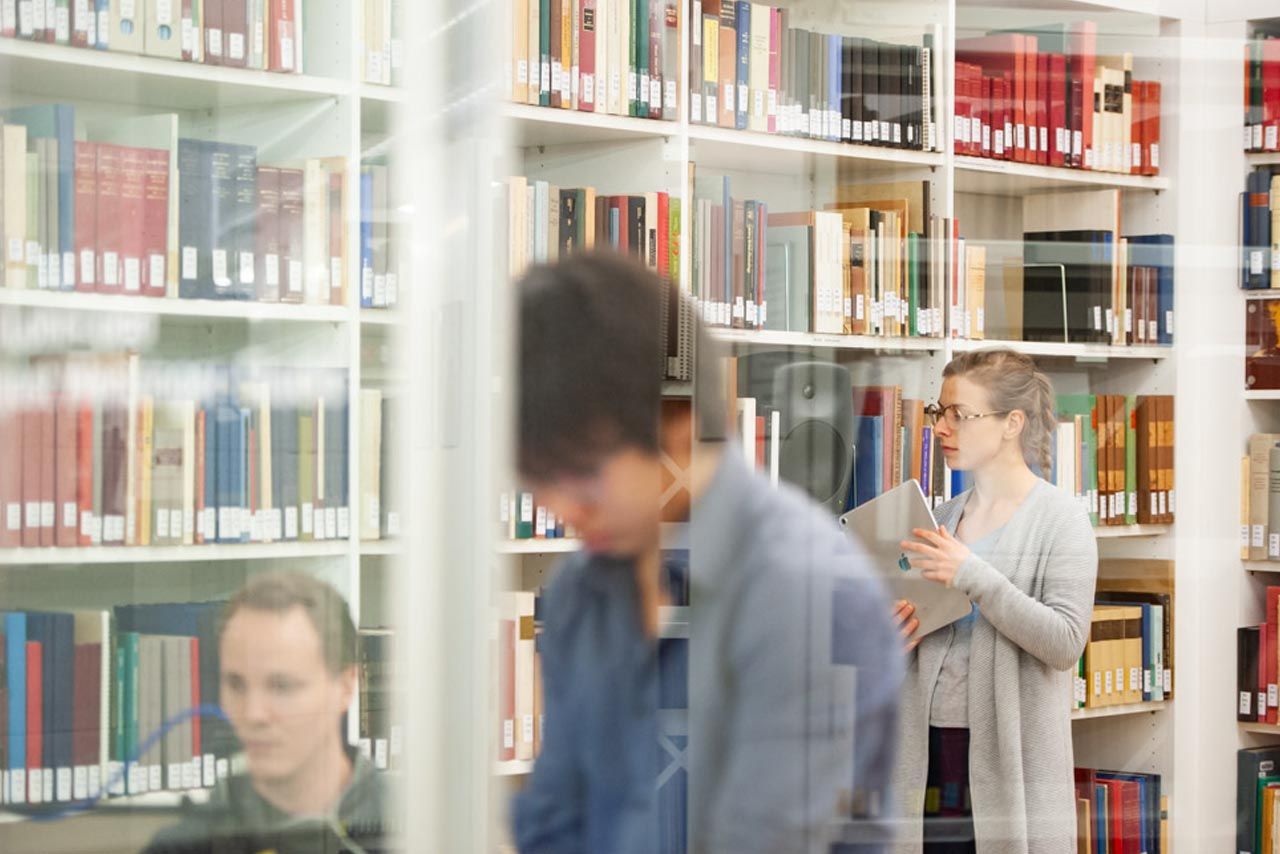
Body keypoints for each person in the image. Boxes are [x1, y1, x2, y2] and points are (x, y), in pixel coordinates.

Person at [510, 251, 903, 854]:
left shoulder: (808, 593)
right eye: (539, 479)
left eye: (582, 475)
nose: (563, 508)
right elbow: (554, 819)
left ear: (677, 430)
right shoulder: (579, 591)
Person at [890, 348, 1098, 854]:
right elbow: (932, 635)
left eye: (959, 414)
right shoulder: (942, 514)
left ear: (1012, 424)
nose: (941, 427)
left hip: (1009, 760)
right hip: (926, 750)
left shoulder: (1062, 520)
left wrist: (972, 574)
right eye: (940, 413)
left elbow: (1066, 643)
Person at [142, 572, 390, 854]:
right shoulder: (182, 847)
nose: (253, 713)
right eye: (236, 684)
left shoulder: (421, 829)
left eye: (281, 686)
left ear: (345, 687)